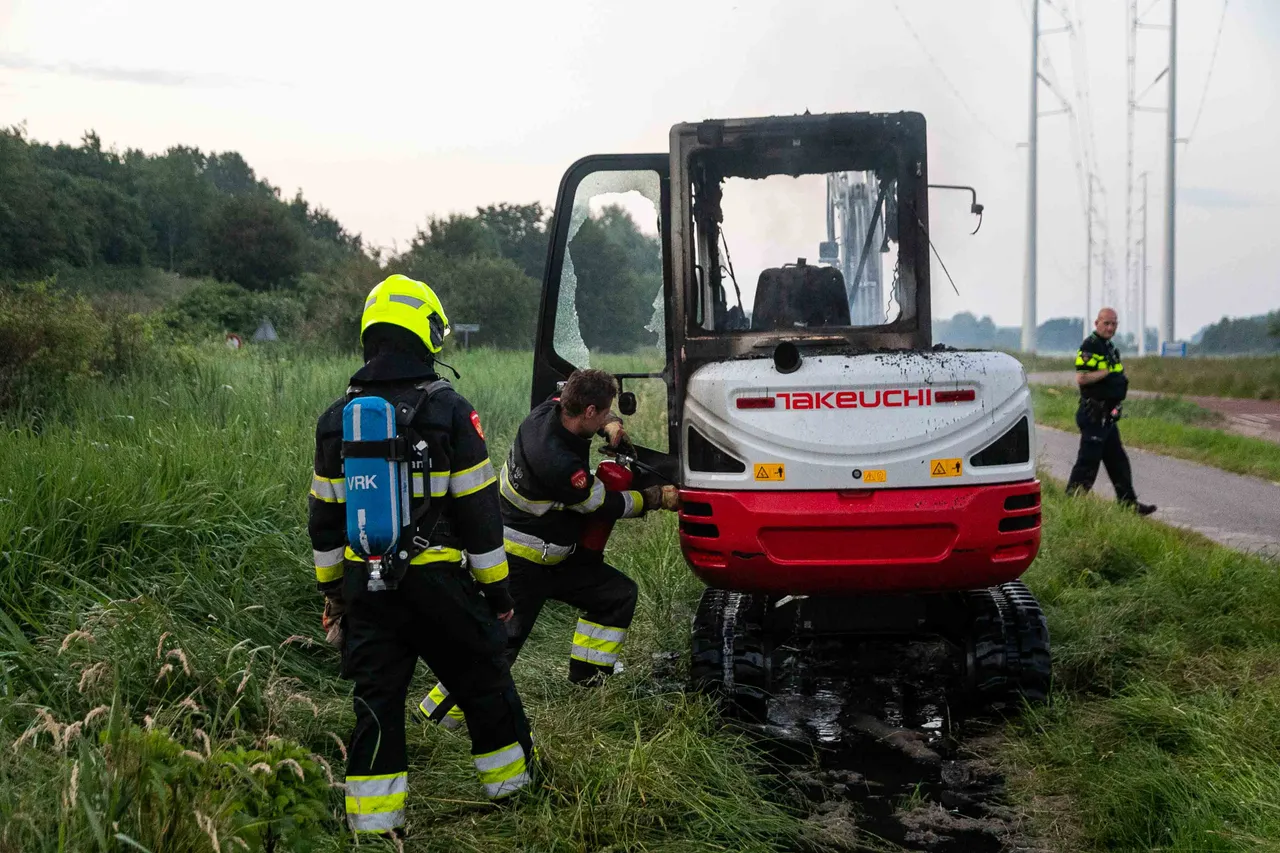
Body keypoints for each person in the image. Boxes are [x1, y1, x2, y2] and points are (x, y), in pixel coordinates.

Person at [307, 274, 535, 836]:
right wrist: (499, 595)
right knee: (483, 682)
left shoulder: (337, 419)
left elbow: (324, 519)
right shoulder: (450, 410)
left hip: (367, 588)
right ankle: (515, 798)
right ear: (427, 333)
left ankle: (375, 827)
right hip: (439, 587)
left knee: (377, 703)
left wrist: (334, 595)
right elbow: (481, 516)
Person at [417, 369, 678, 729]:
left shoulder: (550, 410)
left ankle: (589, 683)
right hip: (523, 565)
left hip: (559, 555)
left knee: (615, 596)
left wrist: (612, 425)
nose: (605, 419)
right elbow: (600, 504)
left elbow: (565, 394)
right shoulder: (560, 464)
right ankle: (435, 722)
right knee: (496, 649)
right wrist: (653, 499)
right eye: (603, 414)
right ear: (588, 411)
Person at [1065, 307, 1157, 515]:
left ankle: (1128, 504)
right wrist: (1105, 373)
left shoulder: (1110, 348)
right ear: (1096, 323)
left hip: (1108, 415)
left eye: (1114, 324)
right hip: (1094, 414)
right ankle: (1072, 503)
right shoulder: (1090, 346)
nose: (1110, 327)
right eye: (1106, 323)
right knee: (1088, 462)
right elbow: (1082, 377)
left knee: (1118, 462)